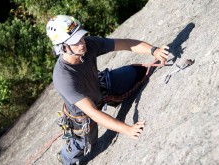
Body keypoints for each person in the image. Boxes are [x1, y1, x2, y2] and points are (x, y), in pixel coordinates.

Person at [46, 15, 169, 165]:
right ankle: (65, 157)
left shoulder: (88, 45)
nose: (82, 43)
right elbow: (93, 113)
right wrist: (127, 129)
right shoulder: (63, 77)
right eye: (75, 41)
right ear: (62, 47)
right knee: (85, 144)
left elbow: (125, 44)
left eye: (81, 37)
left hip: (100, 87)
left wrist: (154, 51)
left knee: (136, 73)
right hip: (83, 115)